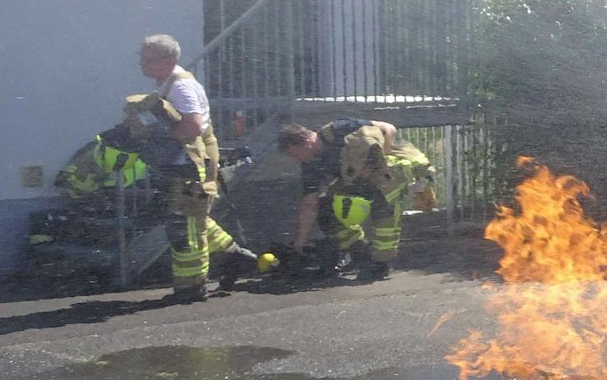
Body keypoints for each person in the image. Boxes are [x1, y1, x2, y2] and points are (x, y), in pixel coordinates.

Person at [133, 34, 259, 301]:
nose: (141, 63)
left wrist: (154, 135)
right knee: (193, 218)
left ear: (168, 60)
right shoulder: (168, 84)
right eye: (141, 57)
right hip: (183, 163)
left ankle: (191, 287)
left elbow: (192, 126)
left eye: (148, 58)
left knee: (187, 227)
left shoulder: (180, 87)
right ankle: (235, 256)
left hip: (191, 165)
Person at [277, 118, 434, 281]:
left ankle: (381, 263)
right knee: (326, 209)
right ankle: (360, 253)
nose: (296, 159)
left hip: (395, 166)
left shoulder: (338, 130)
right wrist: (298, 245)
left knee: (383, 205)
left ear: (306, 142)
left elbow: (389, 128)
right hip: (361, 179)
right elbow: (310, 204)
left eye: (294, 153)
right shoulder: (311, 164)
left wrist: (383, 159)